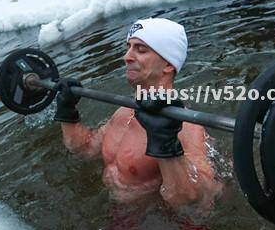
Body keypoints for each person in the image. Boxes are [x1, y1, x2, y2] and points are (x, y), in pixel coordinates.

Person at [55, 18, 221, 211]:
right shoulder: (123, 111)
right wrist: (67, 113)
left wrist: (165, 144)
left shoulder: (184, 125)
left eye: (141, 49)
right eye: (129, 47)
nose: (127, 56)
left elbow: (199, 198)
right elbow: (85, 151)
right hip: (117, 219)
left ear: (168, 64)